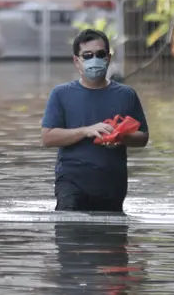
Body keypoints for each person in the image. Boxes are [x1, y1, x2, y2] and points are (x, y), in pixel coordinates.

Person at [40, 29, 149, 212]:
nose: (94, 60)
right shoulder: (61, 94)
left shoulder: (126, 95)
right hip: (72, 182)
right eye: (88, 55)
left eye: (100, 54)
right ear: (77, 61)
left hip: (112, 184)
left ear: (108, 57)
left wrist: (120, 137)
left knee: (109, 239)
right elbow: (48, 137)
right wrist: (86, 131)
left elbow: (143, 137)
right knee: (70, 231)